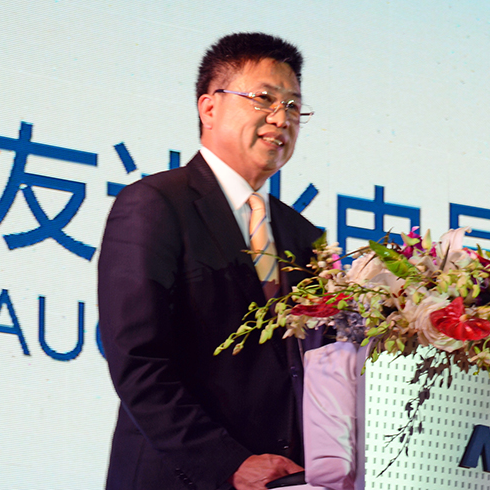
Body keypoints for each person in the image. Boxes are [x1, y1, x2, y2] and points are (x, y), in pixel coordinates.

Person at [98, 32, 324, 490]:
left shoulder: (304, 235)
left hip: (283, 481)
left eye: (294, 106)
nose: (281, 118)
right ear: (209, 107)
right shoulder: (155, 204)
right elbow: (139, 360)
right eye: (264, 98)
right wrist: (227, 463)